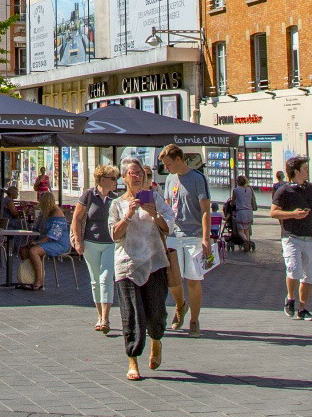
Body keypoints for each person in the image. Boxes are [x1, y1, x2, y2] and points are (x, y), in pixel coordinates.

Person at [110, 158, 172, 382]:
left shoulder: (155, 199)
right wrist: (128, 216)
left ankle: (156, 340)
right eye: (132, 173)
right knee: (132, 313)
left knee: (156, 312)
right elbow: (114, 235)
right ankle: (132, 359)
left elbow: (170, 226)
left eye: (139, 173)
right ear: (124, 178)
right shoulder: (117, 204)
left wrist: (155, 215)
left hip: (154, 261)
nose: (136, 176)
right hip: (127, 264)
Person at [270, 155, 312, 321]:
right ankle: (290, 298)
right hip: (291, 237)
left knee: (310, 275)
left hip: (310, 237)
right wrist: (293, 214)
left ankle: (302, 308)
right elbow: (273, 212)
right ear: (296, 171)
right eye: (305, 168)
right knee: (294, 269)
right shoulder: (284, 191)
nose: (307, 171)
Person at [158, 144, 211, 336]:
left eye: (169, 164)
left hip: (193, 236)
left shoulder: (197, 178)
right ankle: (181, 305)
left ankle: (194, 320)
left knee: (193, 280)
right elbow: (166, 206)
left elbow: (205, 210)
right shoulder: (170, 179)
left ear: (179, 159)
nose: (166, 168)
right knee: (172, 279)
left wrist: (206, 238)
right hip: (173, 236)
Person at [72, 165, 120, 333]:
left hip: (111, 243)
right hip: (90, 242)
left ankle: (105, 318)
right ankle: (99, 316)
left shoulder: (116, 198)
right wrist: (78, 241)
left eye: (116, 178)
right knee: (95, 279)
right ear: (102, 179)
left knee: (106, 277)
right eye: (112, 178)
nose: (115, 181)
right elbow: (77, 219)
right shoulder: (89, 195)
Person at [17, 190, 70, 290]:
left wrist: (37, 242)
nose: (39, 203)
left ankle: (39, 280)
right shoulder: (44, 213)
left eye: (40, 201)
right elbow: (36, 228)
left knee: (34, 251)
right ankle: (28, 277)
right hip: (45, 241)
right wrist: (32, 238)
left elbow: (54, 235)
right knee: (24, 250)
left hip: (58, 243)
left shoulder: (57, 213)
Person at [225, 175, 256, 252]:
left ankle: (246, 241)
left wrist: (231, 204)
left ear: (238, 182)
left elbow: (232, 202)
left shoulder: (236, 190)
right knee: (247, 229)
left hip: (241, 212)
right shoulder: (250, 189)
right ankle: (247, 246)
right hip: (249, 211)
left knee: (240, 231)